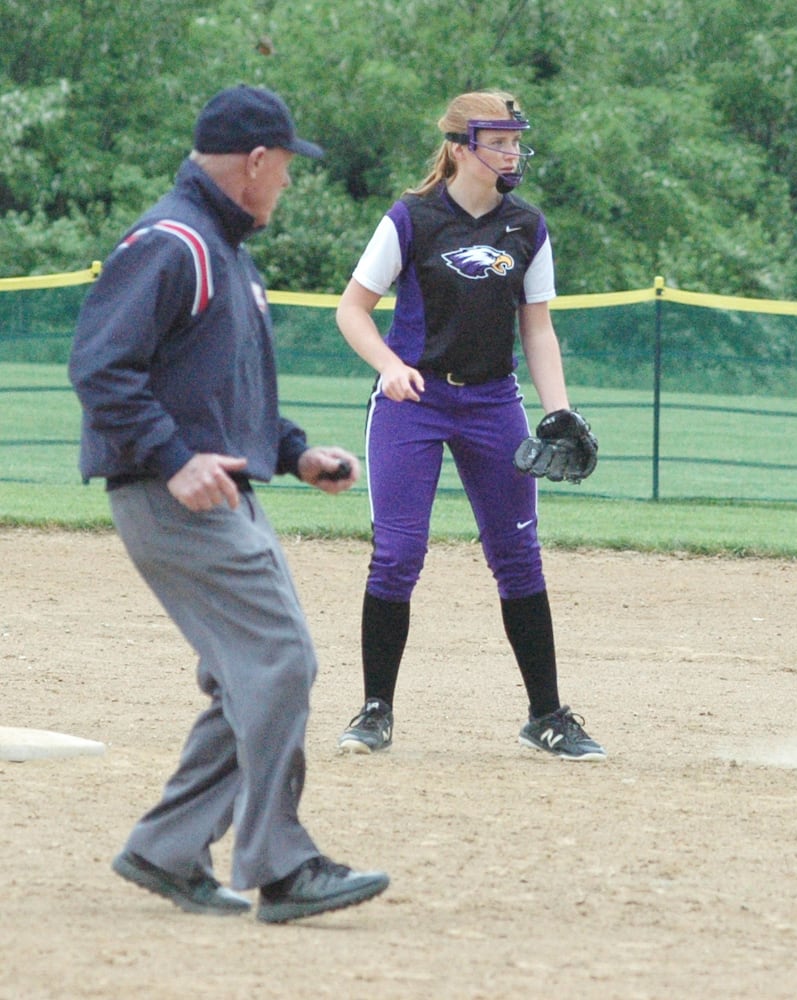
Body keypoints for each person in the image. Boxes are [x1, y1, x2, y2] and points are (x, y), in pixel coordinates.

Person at [69, 85, 389, 923]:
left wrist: (292, 452)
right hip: (176, 496)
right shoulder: (173, 242)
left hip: (220, 491)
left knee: (249, 677)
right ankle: (280, 865)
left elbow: (220, 385)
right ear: (254, 161)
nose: (287, 182)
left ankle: (167, 848)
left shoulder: (223, 249)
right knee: (278, 660)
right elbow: (101, 368)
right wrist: (172, 460)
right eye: (285, 166)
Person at [332, 89, 604, 761]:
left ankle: (545, 716)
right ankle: (374, 711)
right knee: (398, 555)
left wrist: (556, 410)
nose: (513, 151)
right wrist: (389, 367)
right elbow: (353, 310)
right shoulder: (413, 219)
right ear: (460, 147)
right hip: (414, 402)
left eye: (516, 140)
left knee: (517, 557)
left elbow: (536, 330)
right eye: (500, 140)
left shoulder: (526, 227)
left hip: (491, 403)